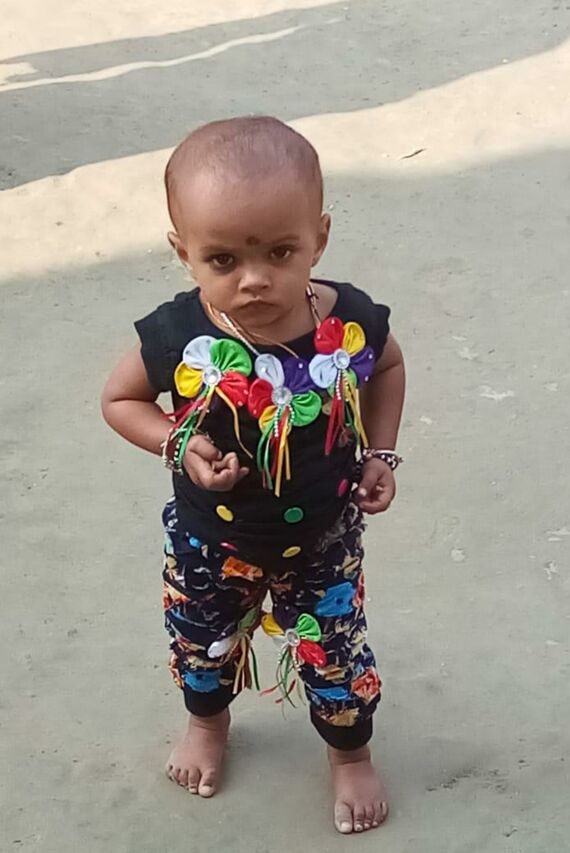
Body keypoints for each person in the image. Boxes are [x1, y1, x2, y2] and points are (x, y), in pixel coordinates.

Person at [101, 116, 405, 834]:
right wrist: (177, 443)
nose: (255, 277)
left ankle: (351, 754)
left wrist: (381, 452)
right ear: (183, 253)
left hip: (324, 541)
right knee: (201, 644)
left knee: (337, 655)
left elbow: (389, 366)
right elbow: (120, 400)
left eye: (280, 251)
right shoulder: (177, 336)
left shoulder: (349, 324)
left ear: (318, 239)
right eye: (222, 259)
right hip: (211, 542)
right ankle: (208, 723)